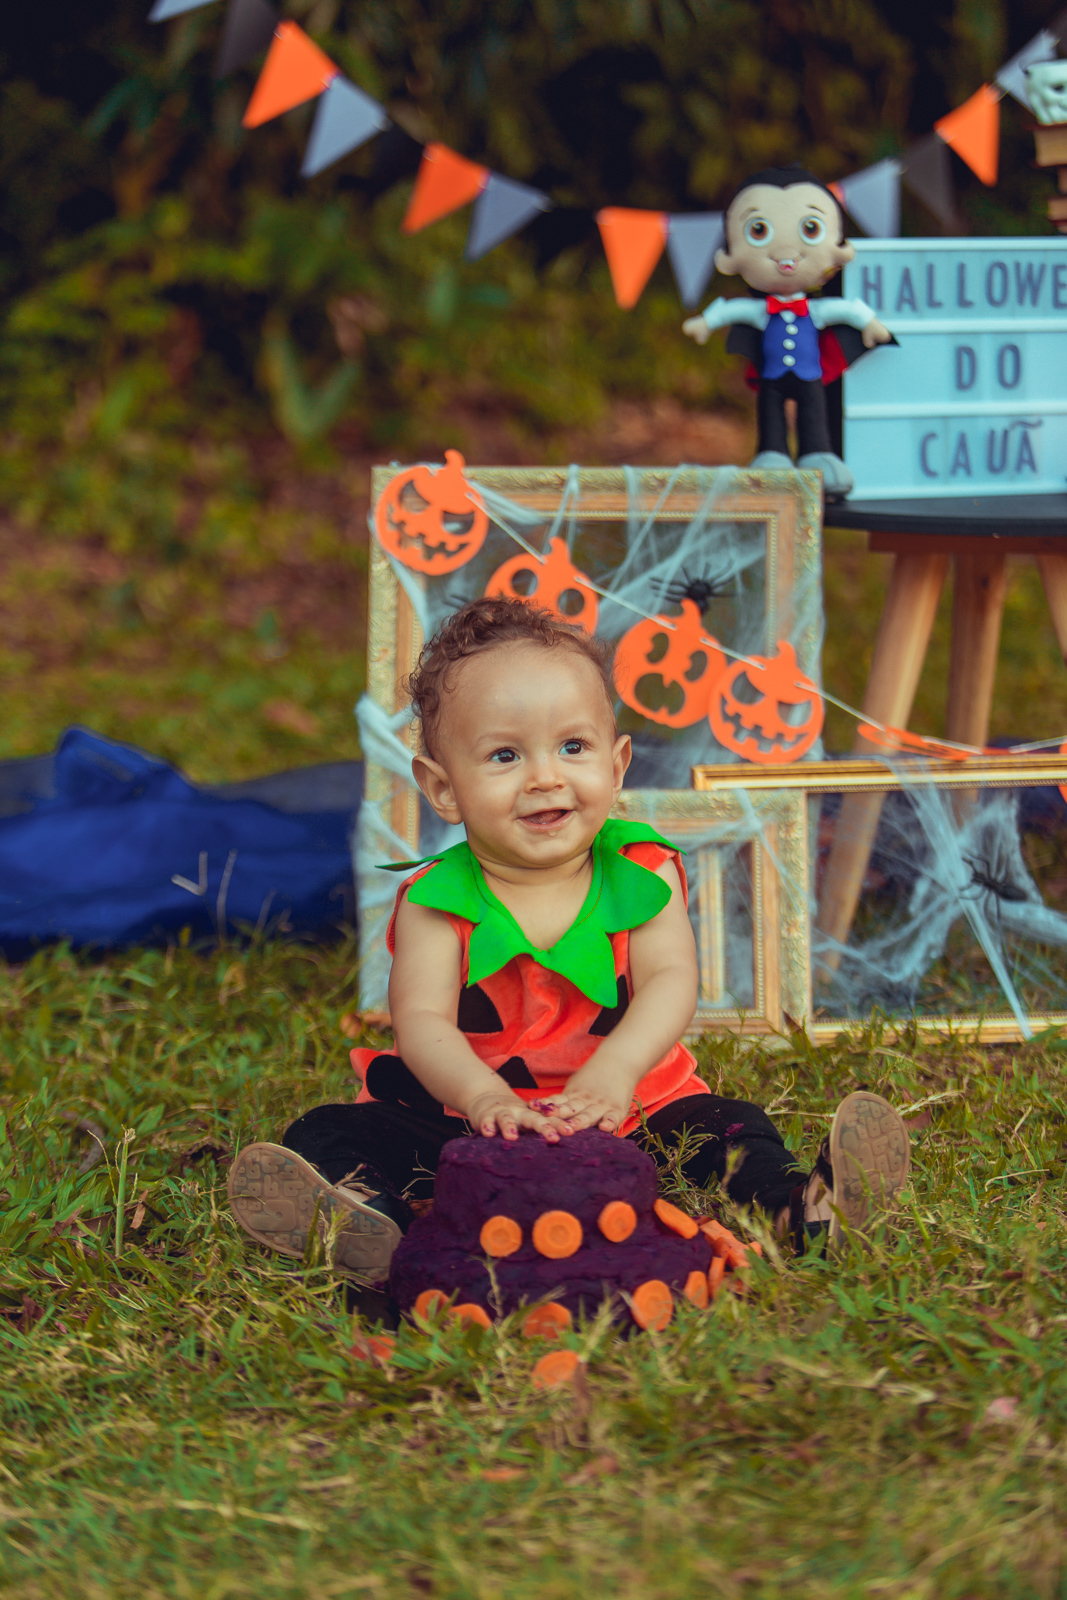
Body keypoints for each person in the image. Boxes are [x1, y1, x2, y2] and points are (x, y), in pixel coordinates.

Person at [228, 597, 909, 1281]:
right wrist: (481, 1098)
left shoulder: (642, 873)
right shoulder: (434, 900)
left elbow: (671, 980)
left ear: (616, 765)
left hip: (631, 1107)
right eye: (503, 755)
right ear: (442, 789)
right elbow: (422, 1021)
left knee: (729, 1127)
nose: (544, 777)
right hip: (466, 1117)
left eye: (572, 747)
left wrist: (615, 1074)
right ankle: (371, 1224)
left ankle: (803, 1209)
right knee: (329, 1131)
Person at [682, 163, 895, 499]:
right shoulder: (761, 312)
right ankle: (772, 455)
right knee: (771, 418)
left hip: (811, 375)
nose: (785, 256)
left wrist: (869, 324)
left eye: (811, 228)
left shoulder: (816, 310)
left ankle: (819, 456)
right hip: (771, 377)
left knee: (815, 415)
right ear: (731, 257)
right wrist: (706, 322)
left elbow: (846, 308)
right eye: (758, 231)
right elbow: (732, 308)